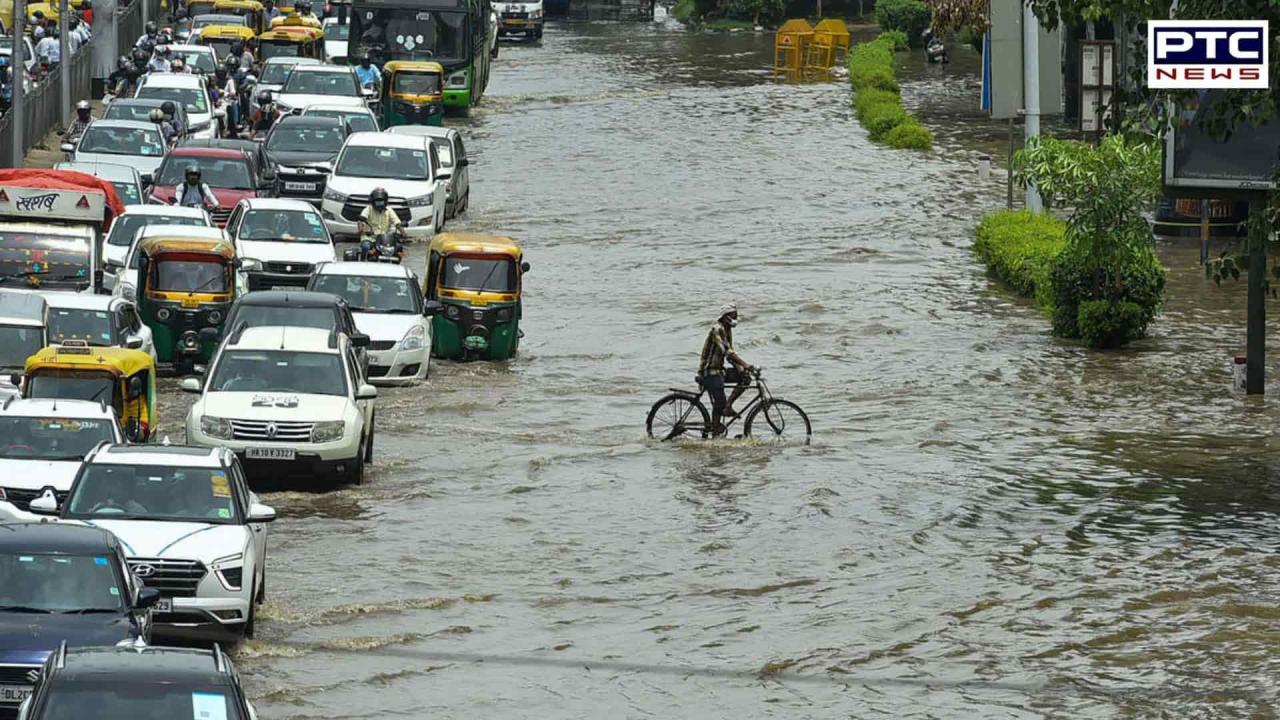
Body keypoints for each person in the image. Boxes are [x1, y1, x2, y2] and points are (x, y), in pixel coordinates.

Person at [697, 303, 753, 437]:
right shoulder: (717, 329)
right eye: (734, 316)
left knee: (745, 378)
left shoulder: (727, 330)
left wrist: (740, 368)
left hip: (719, 371)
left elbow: (730, 354)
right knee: (719, 401)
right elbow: (727, 351)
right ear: (725, 317)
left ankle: (728, 406)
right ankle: (715, 429)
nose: (736, 319)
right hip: (709, 371)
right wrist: (745, 364)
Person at [212, 66, 238, 132]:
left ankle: (232, 127)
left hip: (226, 100)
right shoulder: (214, 81)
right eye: (219, 73)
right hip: (215, 100)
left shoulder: (230, 81)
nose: (220, 75)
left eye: (222, 73)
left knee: (230, 107)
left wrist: (224, 93)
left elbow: (233, 92)